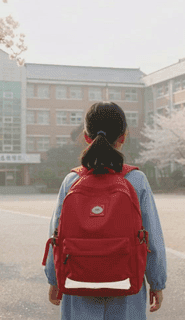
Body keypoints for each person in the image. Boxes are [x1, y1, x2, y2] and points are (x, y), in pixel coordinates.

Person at [44, 101, 167, 320]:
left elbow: (56, 236)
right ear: (123, 137)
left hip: (77, 284)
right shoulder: (136, 180)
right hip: (127, 285)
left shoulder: (71, 180)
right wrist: (157, 282)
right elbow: (152, 237)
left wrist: (55, 279)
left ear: (86, 136)